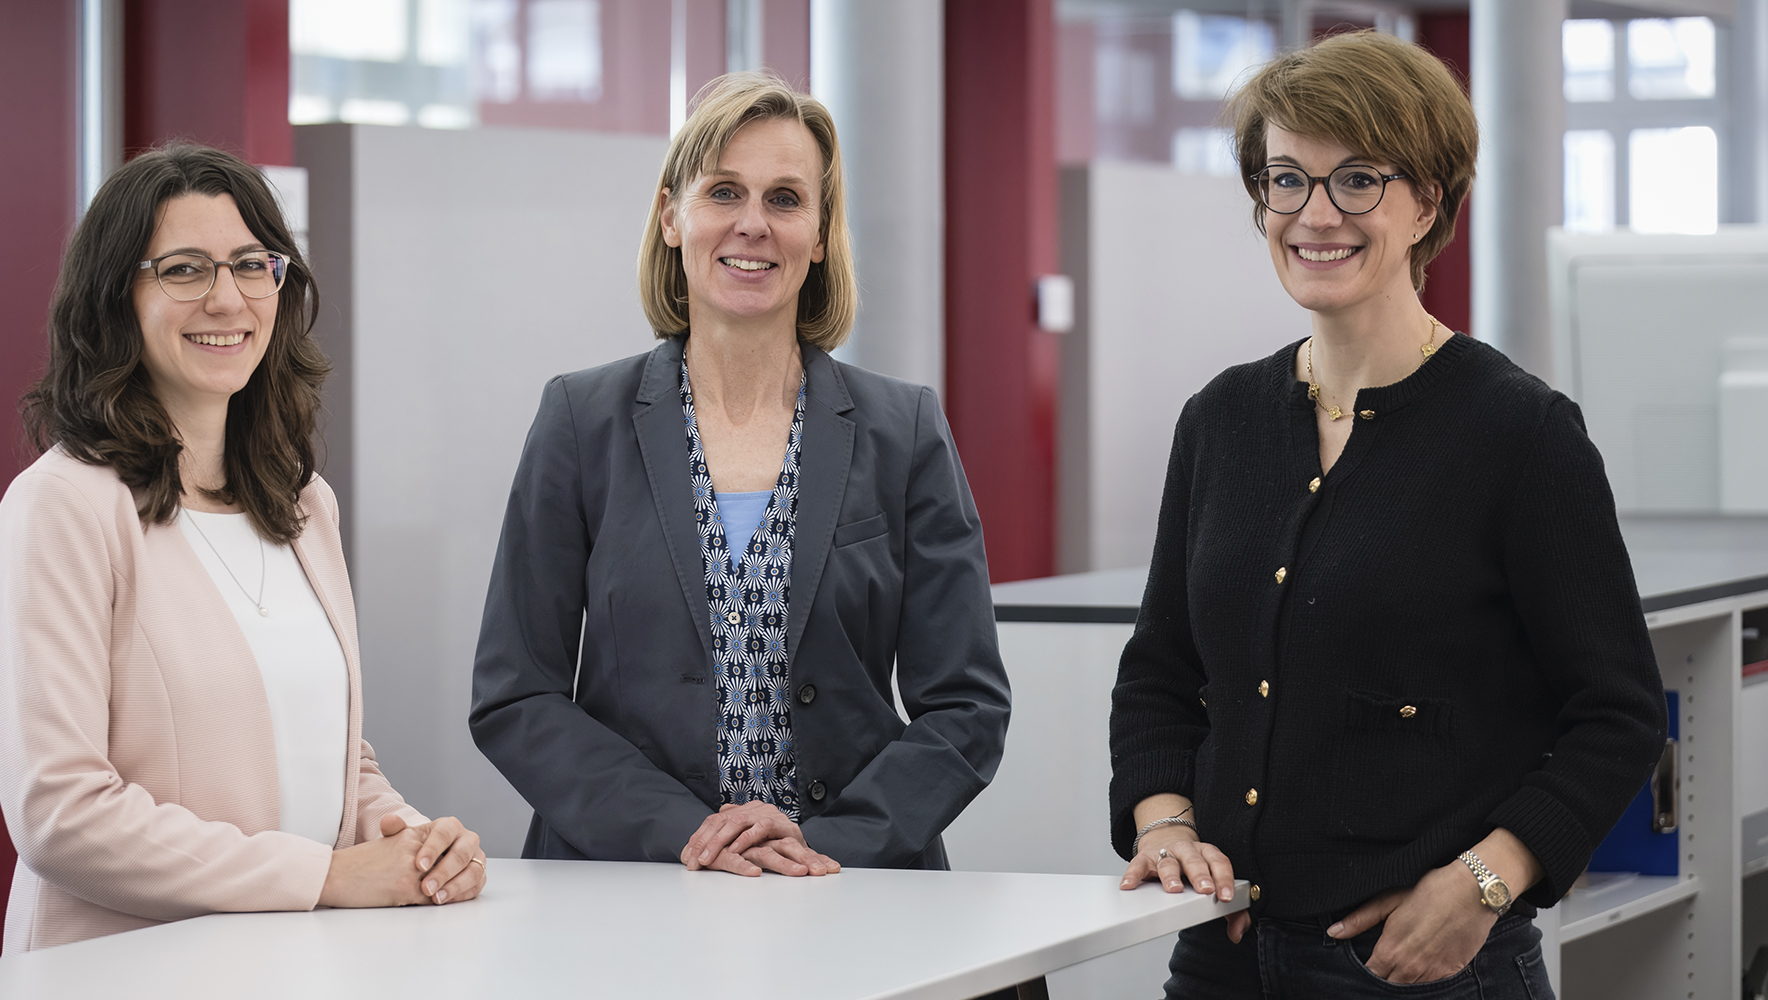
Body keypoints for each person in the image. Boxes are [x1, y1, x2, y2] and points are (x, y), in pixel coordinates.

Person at [1108, 31, 1668, 998]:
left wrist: (1488, 881)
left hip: (1425, 967)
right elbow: (1162, 672)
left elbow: (1615, 714)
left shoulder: (1519, 431)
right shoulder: (1220, 420)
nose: (1315, 214)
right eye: (1286, 179)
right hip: (1222, 954)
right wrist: (1162, 823)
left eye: (1357, 179)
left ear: (1429, 204)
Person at [471, 72, 1011, 878]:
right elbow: (516, 695)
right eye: (724, 191)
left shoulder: (904, 431)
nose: (753, 224)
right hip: (628, 884)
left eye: (786, 199)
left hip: (850, 890)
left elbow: (966, 706)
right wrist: (683, 832)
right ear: (671, 216)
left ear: (821, 232)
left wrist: (831, 844)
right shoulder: (581, 421)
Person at [0, 143, 485, 953]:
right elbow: (61, 814)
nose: (228, 298)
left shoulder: (302, 505)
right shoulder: (62, 507)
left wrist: (414, 843)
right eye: (184, 269)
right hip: (121, 968)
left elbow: (331, 755)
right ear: (118, 299)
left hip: (284, 957)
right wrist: (322, 878)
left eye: (253, 264)